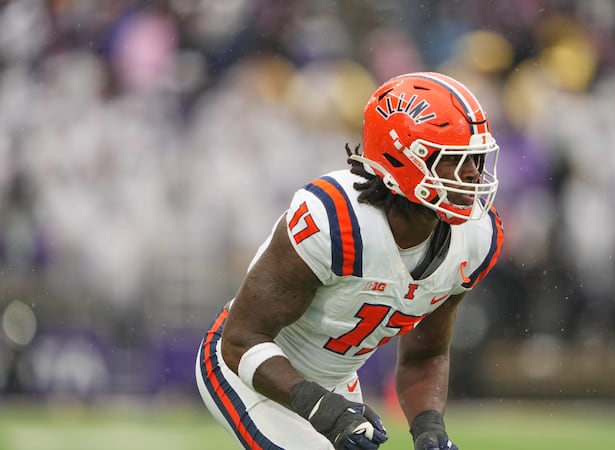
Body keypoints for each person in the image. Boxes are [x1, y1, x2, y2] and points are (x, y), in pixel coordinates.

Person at [195, 71, 504, 450]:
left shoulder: (474, 239)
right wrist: (323, 409)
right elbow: (241, 341)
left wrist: (429, 429)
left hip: (335, 381)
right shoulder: (334, 221)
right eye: (454, 161)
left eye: (475, 158)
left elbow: (425, 355)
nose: (472, 175)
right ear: (403, 161)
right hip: (251, 366)